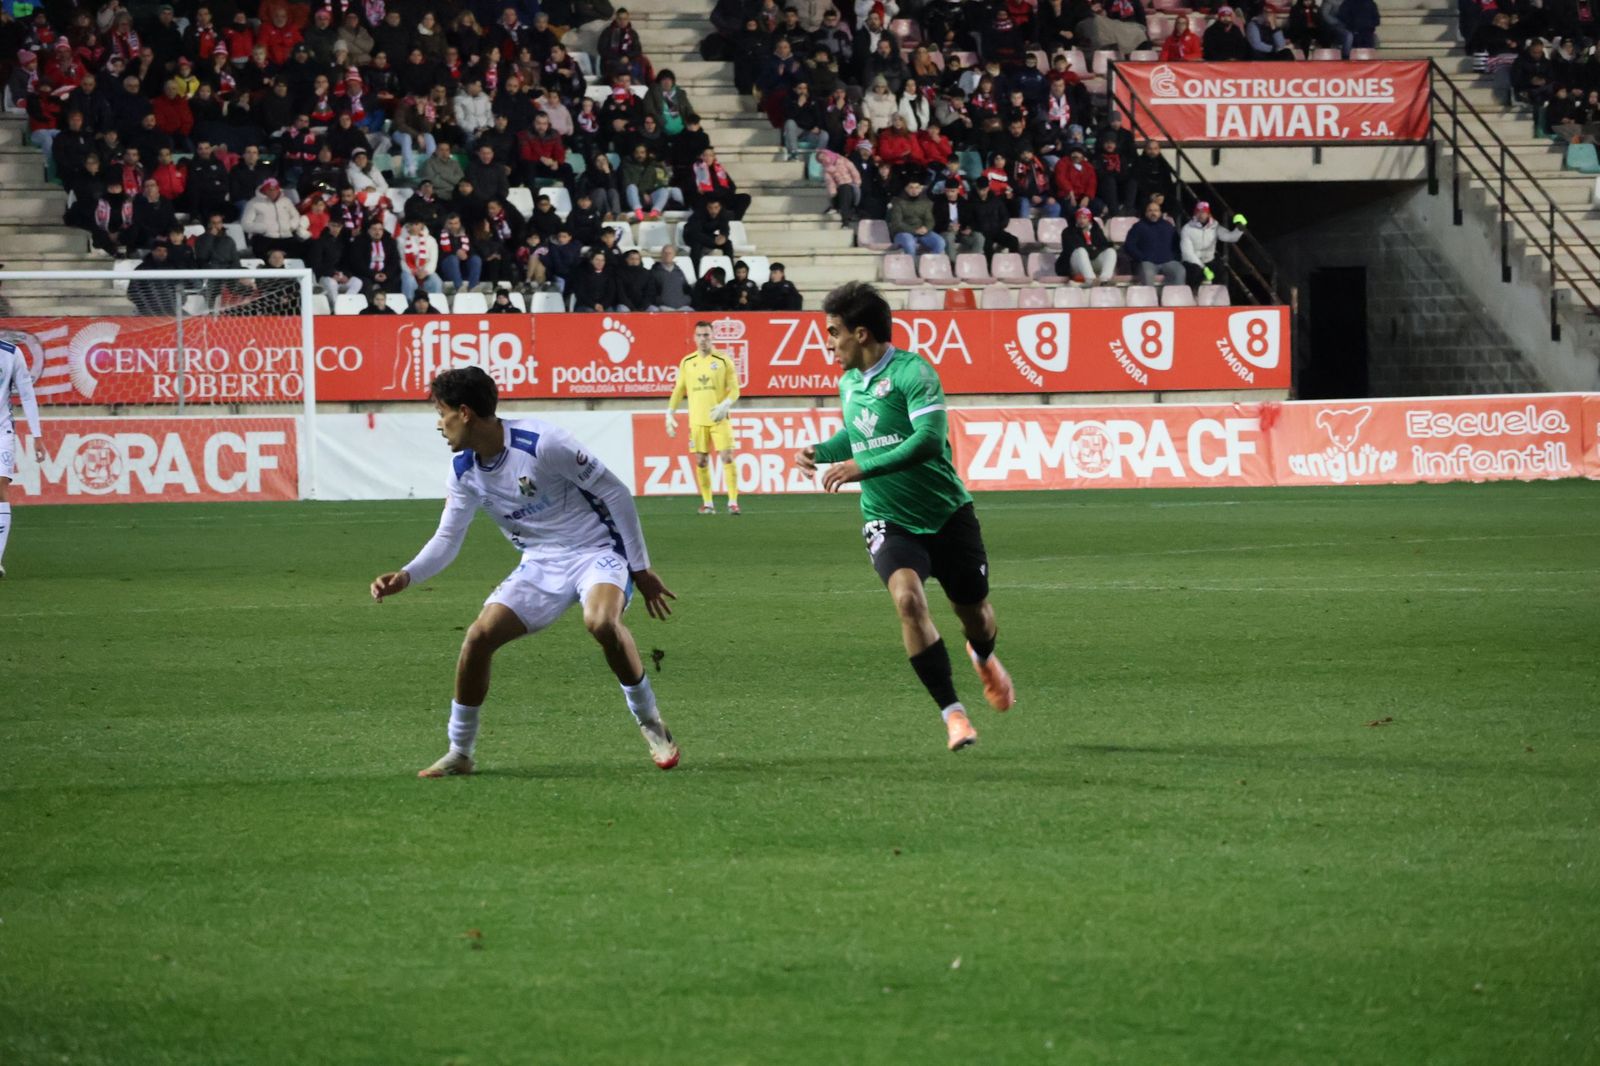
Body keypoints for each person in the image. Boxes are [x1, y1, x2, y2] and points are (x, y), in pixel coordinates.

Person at [370, 367, 680, 777]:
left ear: (464, 413)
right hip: (539, 562)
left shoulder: (544, 444)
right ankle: (460, 752)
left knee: (601, 623)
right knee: (478, 637)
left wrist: (640, 568)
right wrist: (407, 575)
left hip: (596, 551)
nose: (438, 425)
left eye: (441, 413)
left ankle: (651, 722)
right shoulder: (464, 470)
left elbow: (615, 492)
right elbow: (448, 538)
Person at [793, 282, 1015, 753]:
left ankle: (984, 656)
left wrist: (860, 467)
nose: (828, 343)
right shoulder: (849, 382)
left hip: (947, 513)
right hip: (888, 517)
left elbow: (928, 441)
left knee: (974, 613)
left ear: (861, 332)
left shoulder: (915, 373)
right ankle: (954, 715)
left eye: (833, 333)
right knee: (908, 602)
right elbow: (859, 437)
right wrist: (822, 450)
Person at [665, 321, 742, 515]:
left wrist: (725, 405)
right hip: (697, 420)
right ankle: (708, 503)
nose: (703, 339)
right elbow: (679, 389)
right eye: (699, 335)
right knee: (701, 461)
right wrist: (670, 413)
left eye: (706, 335)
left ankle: (733, 501)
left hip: (719, 419)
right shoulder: (687, 362)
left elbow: (735, 390)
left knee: (727, 456)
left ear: (712, 336)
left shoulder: (724, 361)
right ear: (694, 338)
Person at [0, 337, 45, 579]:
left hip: (1, 431)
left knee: (0, 487)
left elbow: (27, 395)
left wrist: (37, 435)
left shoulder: (10, 353)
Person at [1180, 201, 1247, 289]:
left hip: (1209, 260)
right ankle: (1194, 295)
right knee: (1196, 272)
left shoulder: (1214, 226)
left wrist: (1241, 227)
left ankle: (1217, 298)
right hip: (1192, 262)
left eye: (1204, 212)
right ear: (1195, 213)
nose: (1201, 215)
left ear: (1208, 213)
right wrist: (1203, 268)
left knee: (1221, 270)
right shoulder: (1187, 228)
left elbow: (1230, 237)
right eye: (1198, 212)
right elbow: (1187, 253)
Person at [1124, 199, 1185, 286]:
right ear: (1145, 213)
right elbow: (1129, 246)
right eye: (1150, 210)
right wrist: (1142, 257)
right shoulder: (1138, 227)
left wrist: (1174, 257)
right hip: (1148, 262)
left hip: (1168, 261)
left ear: (1160, 213)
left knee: (1180, 271)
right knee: (1147, 273)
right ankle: (1150, 298)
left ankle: (1175, 298)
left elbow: (1177, 245)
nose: (1153, 213)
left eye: (1156, 210)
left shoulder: (1168, 226)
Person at [1058, 206, 1116, 285]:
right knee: (1081, 251)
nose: (1082, 220)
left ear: (1089, 219)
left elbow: (1104, 245)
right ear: (1076, 218)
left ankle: (1105, 279)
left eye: (1084, 218)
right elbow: (1071, 249)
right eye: (1079, 217)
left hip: (1093, 261)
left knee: (1110, 251)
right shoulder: (1068, 231)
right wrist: (1093, 248)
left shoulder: (1096, 230)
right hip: (1076, 265)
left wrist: (1093, 249)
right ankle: (1091, 280)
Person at [888, 178, 943, 258]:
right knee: (909, 243)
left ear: (921, 189)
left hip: (922, 233)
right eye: (911, 187)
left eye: (917, 187)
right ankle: (912, 267)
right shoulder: (897, 202)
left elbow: (930, 220)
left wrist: (926, 228)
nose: (914, 190)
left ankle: (927, 265)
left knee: (940, 242)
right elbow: (897, 223)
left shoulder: (926, 202)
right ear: (906, 188)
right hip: (903, 233)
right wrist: (914, 230)